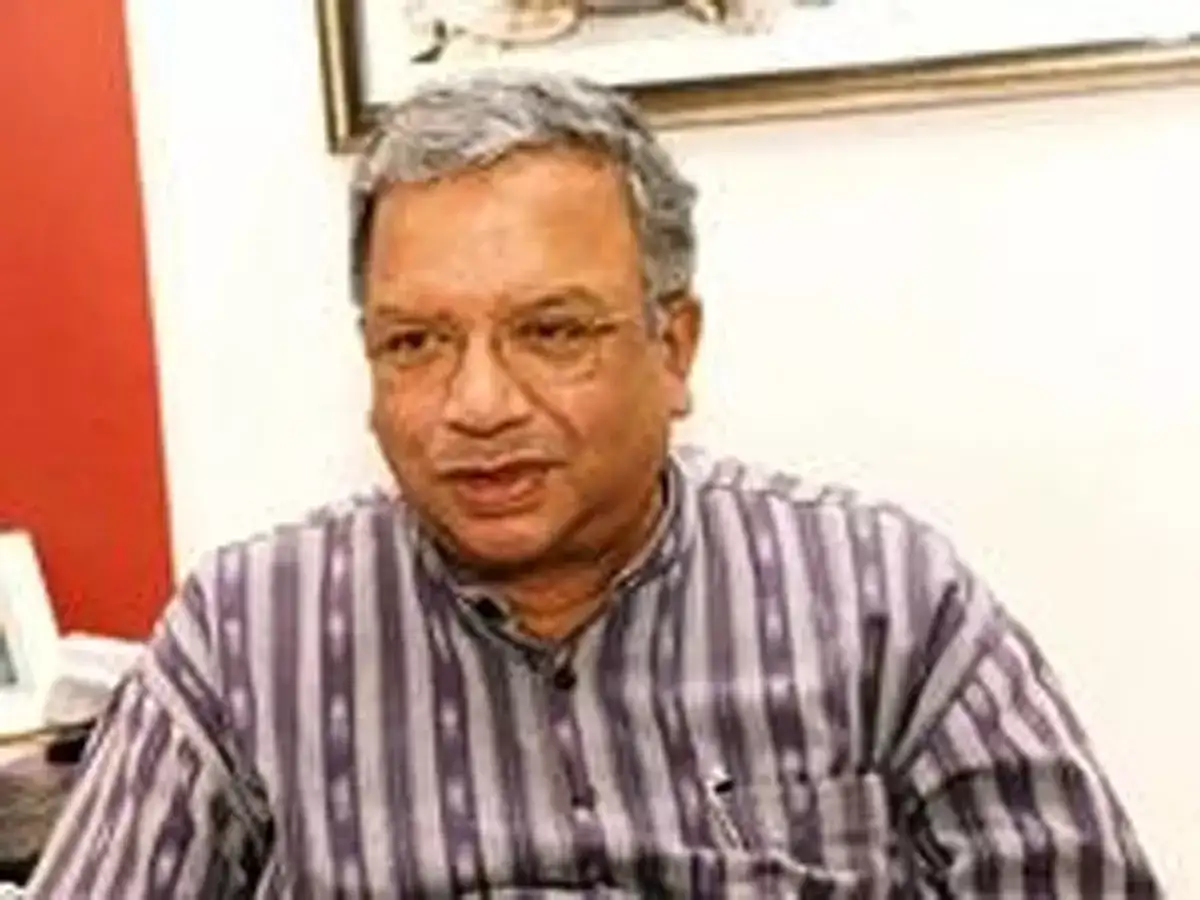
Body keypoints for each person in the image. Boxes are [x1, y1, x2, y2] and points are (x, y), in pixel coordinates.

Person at [27, 70, 1160, 897]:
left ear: (675, 348)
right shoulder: (246, 637)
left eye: (552, 331)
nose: (478, 404)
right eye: (416, 344)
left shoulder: (883, 602)